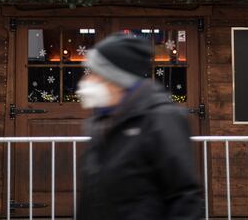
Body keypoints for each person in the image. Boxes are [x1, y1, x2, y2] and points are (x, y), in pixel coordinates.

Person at [76, 32, 202, 220]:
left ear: (116, 81)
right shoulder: (102, 122)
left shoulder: (161, 119)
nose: (86, 82)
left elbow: (185, 197)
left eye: (94, 74)